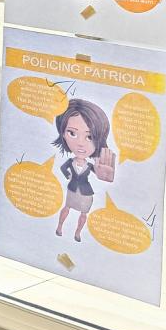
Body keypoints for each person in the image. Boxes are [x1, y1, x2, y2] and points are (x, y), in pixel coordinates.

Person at [53, 97, 113, 241]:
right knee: (66, 208)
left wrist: (105, 176)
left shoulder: (90, 165)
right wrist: (68, 176)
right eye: (72, 133)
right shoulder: (70, 161)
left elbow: (100, 174)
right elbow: (63, 168)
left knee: (83, 214)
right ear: (63, 134)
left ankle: (77, 233)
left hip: (86, 194)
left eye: (90, 136)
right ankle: (60, 227)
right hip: (72, 190)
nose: (80, 144)